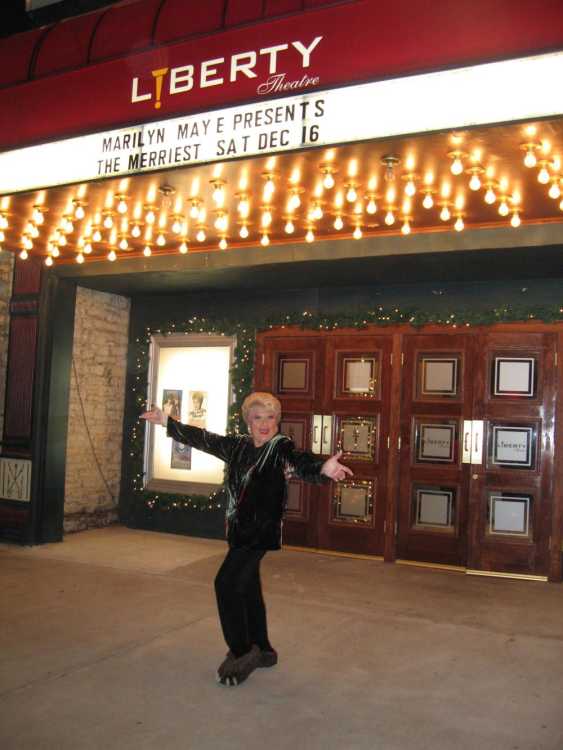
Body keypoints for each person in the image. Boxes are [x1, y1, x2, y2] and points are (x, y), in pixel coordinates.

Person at [141, 391, 353, 687]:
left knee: (226, 584)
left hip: (259, 532)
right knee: (248, 587)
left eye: (270, 417)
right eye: (257, 417)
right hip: (238, 530)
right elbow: (205, 439)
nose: (264, 423)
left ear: (278, 421)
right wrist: (167, 421)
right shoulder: (238, 446)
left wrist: (322, 469)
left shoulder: (280, 447)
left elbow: (299, 461)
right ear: (248, 422)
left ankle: (242, 652)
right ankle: (263, 649)